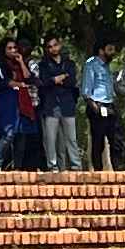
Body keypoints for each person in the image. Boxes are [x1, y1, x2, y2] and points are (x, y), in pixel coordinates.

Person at [38, 42, 85, 172]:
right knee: (50, 139)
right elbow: (44, 82)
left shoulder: (69, 64)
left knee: (71, 138)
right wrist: (56, 79)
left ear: (60, 45)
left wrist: (58, 79)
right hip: (50, 105)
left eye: (55, 45)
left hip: (67, 104)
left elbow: (72, 82)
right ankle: (52, 166)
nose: (53, 48)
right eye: (50, 46)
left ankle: (76, 165)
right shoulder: (43, 65)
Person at [81, 45, 121, 170]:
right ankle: (98, 173)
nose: (112, 52)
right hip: (97, 105)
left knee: (117, 141)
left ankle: (118, 171)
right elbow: (86, 91)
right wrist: (95, 108)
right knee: (98, 142)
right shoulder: (91, 64)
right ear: (101, 50)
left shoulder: (110, 65)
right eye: (110, 49)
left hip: (110, 104)